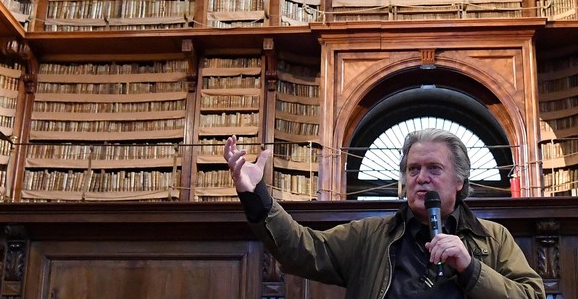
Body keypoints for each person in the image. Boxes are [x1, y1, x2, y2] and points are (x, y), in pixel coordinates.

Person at [223, 128, 546, 298]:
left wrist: (470, 267)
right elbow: (301, 251)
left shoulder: (492, 238)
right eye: (413, 169)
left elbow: (531, 296)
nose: (421, 178)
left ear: (459, 180)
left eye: (434, 168)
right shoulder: (370, 236)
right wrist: (256, 195)